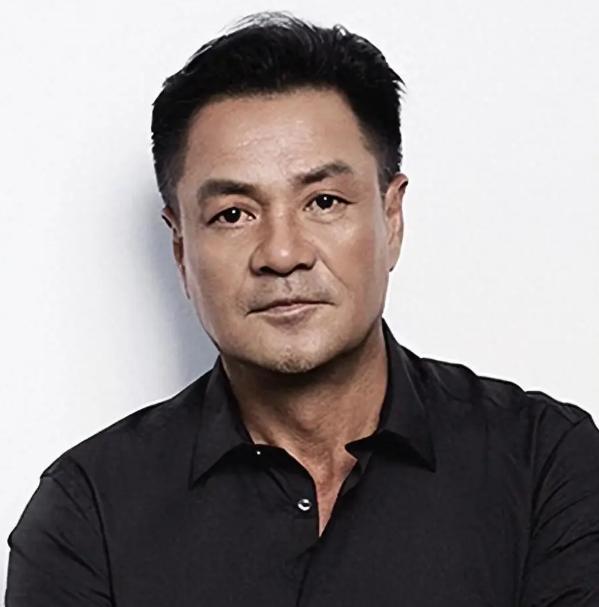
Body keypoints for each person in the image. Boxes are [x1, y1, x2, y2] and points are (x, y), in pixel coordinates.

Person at [5, 11, 599, 606]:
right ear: (181, 248)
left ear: (391, 218)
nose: (283, 254)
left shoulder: (545, 463)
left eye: (324, 201)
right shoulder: (89, 513)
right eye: (233, 214)